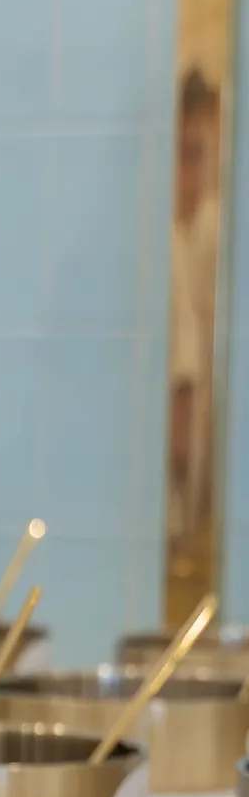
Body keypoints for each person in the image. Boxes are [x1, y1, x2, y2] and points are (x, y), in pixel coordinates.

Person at [168, 67, 222, 572]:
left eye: (200, 156)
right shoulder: (164, 242)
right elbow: (180, 381)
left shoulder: (204, 231)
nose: (193, 175)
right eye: (185, 155)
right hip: (164, 507)